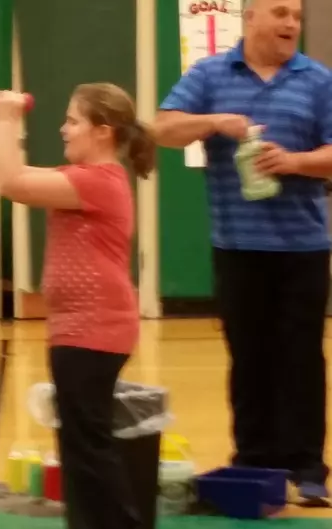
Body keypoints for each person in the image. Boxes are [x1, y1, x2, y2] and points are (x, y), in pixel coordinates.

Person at [154, 0, 332, 503]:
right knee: (247, 358)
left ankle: (308, 468)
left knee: (301, 359)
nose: (290, 24)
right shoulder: (210, 74)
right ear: (250, 19)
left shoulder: (318, 80)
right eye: (279, 13)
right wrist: (212, 122)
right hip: (236, 247)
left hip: (302, 248)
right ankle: (254, 462)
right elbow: (161, 128)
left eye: (296, 16)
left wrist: (295, 161)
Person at [0, 84, 152, 529]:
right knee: (81, 442)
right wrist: (3, 118)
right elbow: (12, 174)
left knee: (88, 443)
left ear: (103, 131)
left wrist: (7, 117)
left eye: (73, 120)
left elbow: (10, 183)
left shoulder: (99, 181)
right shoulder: (82, 175)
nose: (63, 128)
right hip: (78, 331)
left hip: (94, 331)